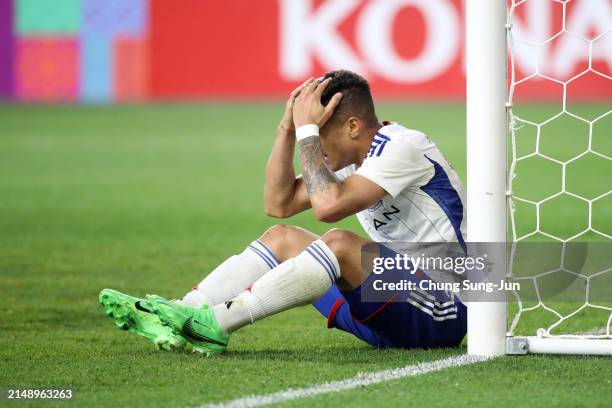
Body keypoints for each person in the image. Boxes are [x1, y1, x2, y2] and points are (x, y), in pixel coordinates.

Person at [99, 70, 467, 355]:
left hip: (444, 308)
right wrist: (288, 128)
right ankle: (175, 315)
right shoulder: (349, 158)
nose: (315, 148)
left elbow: (328, 209)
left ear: (353, 126)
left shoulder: (402, 147)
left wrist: (308, 131)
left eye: (320, 135)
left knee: (337, 243)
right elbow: (278, 203)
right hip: (387, 307)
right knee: (283, 238)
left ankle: (215, 325)